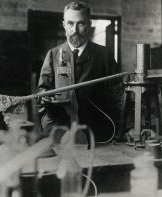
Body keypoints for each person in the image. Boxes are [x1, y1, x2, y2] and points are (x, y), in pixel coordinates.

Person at [37, 2, 121, 143]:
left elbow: (119, 95)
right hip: (60, 133)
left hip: (97, 134)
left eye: (80, 23)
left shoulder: (104, 55)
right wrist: (43, 97)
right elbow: (42, 91)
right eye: (70, 23)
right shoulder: (53, 54)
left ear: (89, 24)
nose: (75, 30)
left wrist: (127, 126)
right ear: (64, 25)